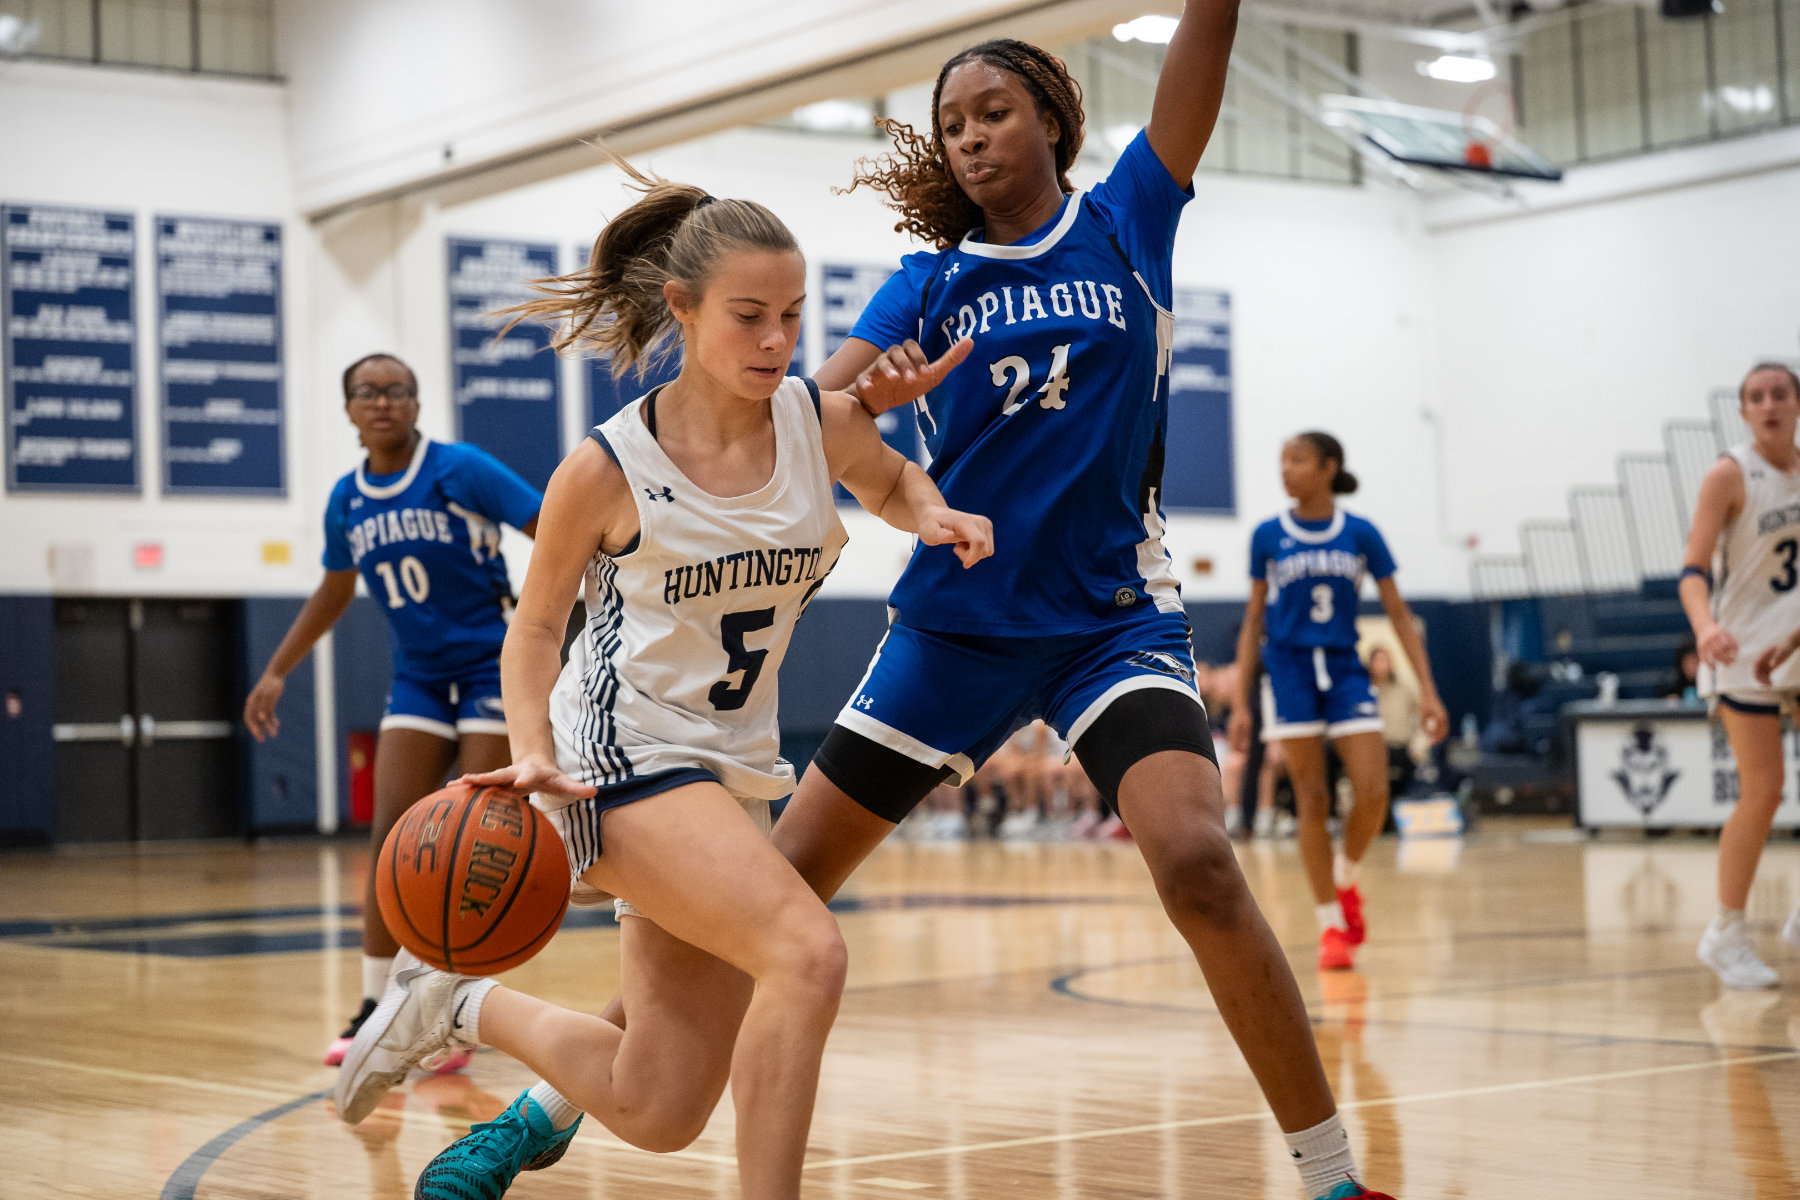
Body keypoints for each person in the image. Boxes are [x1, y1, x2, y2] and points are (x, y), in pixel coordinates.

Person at [747, 12, 1393, 1199]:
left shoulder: (1128, 219)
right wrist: (863, 406)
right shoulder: (928, 281)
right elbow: (808, 416)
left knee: (1199, 863)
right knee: (771, 894)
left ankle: (1333, 1178)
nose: (972, 139)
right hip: (956, 629)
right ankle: (549, 1102)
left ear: (1051, 115)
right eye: (951, 126)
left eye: (992, 112)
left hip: (1112, 620)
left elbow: (1204, 46)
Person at [330, 158, 991, 1200]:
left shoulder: (822, 419)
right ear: (681, 309)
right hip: (619, 758)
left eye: (791, 316)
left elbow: (892, 481)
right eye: (749, 317)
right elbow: (537, 625)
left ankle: (455, 1008)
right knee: (808, 955)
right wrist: (533, 750)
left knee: (660, 1105)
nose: (777, 342)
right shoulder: (605, 468)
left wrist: (932, 510)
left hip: (732, 768)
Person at [243, 352, 541, 1068]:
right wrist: (278, 670)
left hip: (491, 668)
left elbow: (550, 523)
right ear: (348, 410)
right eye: (368, 393)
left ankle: (452, 1013)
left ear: (416, 403)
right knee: (390, 837)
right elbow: (335, 588)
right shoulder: (348, 499)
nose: (384, 403)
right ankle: (377, 1006)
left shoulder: (461, 469)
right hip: (419, 676)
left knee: (472, 840)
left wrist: (557, 623)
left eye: (398, 391)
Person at [1228, 432, 1447, 973]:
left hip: (1346, 669)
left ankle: (1345, 880)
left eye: (1298, 460)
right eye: (1282, 460)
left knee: (1373, 791)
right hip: (1290, 670)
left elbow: (1398, 614)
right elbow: (1254, 618)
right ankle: (1329, 925)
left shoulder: (1361, 533)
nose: (1286, 470)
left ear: (1329, 468)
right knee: (1312, 798)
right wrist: (1241, 701)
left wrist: (1428, 690)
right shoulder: (1266, 535)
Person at [1681, 362, 1800, 989]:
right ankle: (1725, 931)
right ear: (1744, 412)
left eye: (1780, 393)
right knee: (1765, 790)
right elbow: (1692, 568)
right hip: (1742, 648)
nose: (1769, 404)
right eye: (1756, 397)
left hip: (1796, 644)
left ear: (1797, 404)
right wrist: (1705, 630)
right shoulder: (1729, 474)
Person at [1366, 645, 1426, 796]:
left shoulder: (1404, 689)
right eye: (1379, 661)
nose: (1383, 665)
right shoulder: (1363, 690)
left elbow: (1423, 715)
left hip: (1400, 749)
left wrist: (1419, 742)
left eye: (1387, 660)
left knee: (1406, 781)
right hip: (1372, 750)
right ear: (1371, 663)